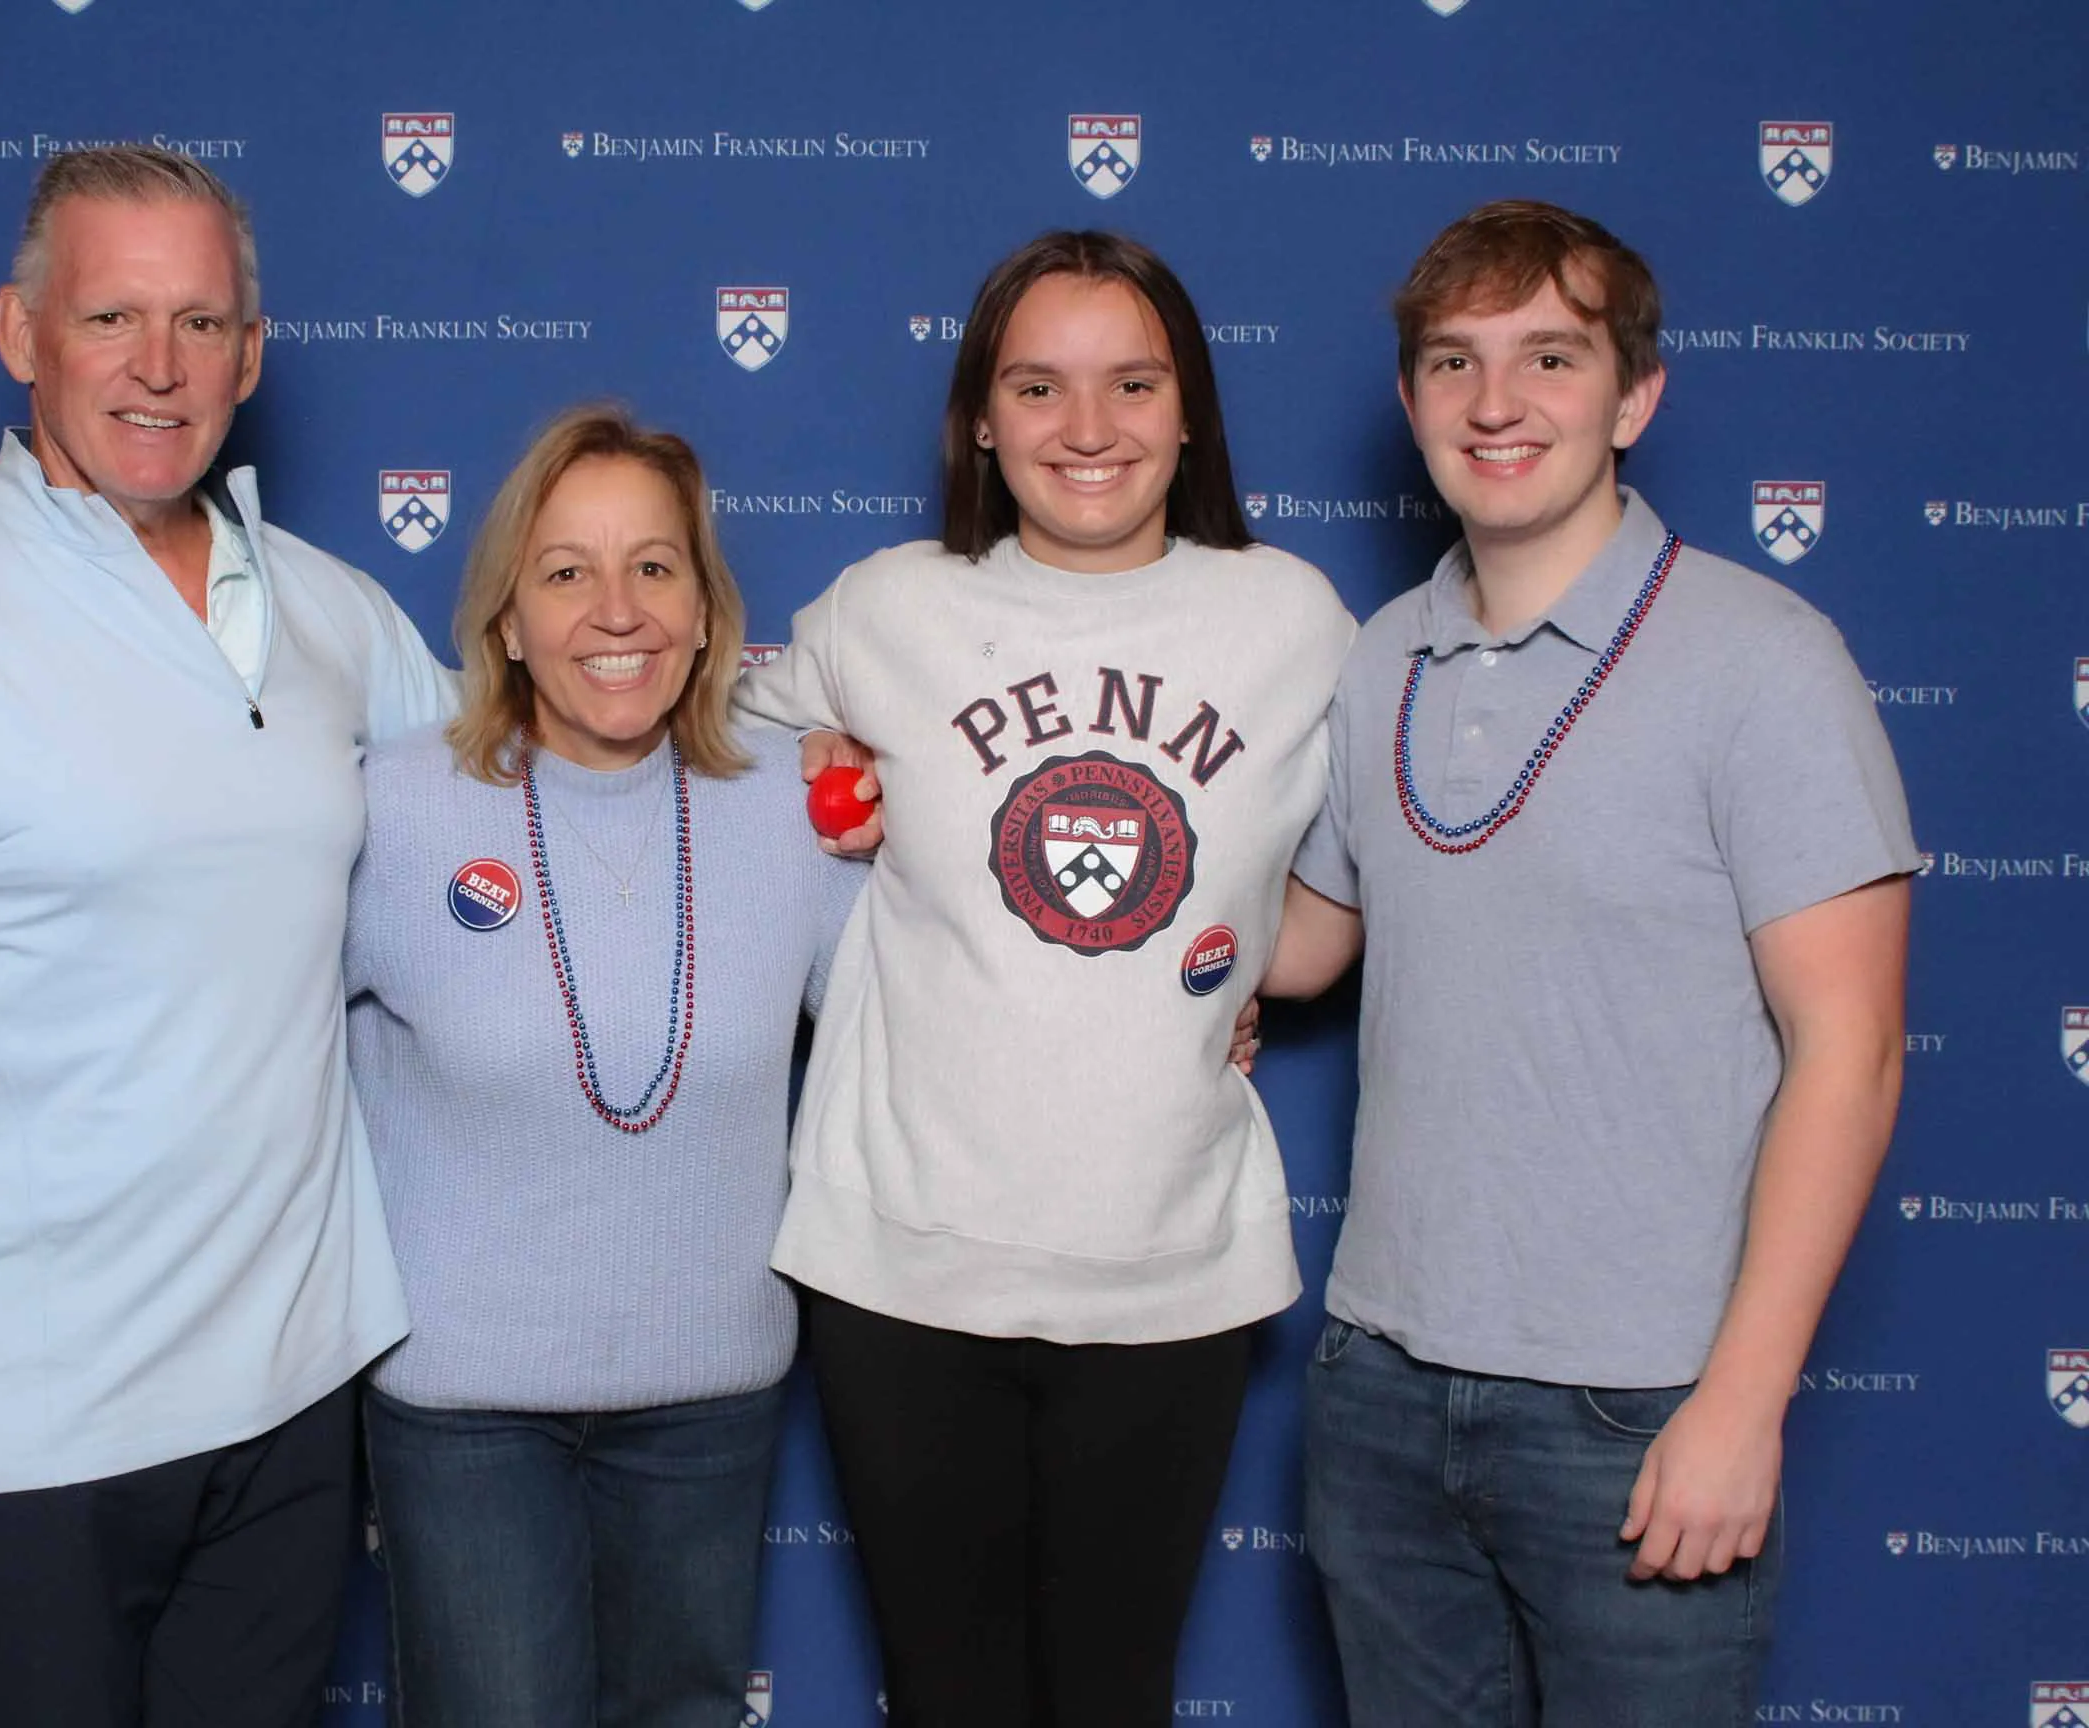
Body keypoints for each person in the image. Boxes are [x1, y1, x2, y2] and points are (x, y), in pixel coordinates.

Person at [0, 145, 451, 1728]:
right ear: (19, 333)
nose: (158, 367)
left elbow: (528, 802)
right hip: (36, 1433)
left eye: (200, 323)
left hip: (299, 1395)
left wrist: (807, 748)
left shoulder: (333, 615)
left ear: (253, 355)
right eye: (111, 316)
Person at [1263, 200, 1916, 1726]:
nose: (1497, 405)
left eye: (1549, 358)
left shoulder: (1765, 658)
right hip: (1381, 1386)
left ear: (1635, 396)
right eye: (1453, 363)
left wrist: (1741, 1405)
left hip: (1639, 1411)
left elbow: (1854, 1049)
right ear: (1412, 399)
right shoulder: (1382, 655)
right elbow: (1301, 948)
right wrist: (1005, 853)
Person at [734, 231, 1355, 1727]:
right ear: (981, 421)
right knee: (945, 1697)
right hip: (906, 1263)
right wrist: (816, 777)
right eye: (1039, 387)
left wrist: (1227, 969)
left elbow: (1324, 919)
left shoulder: (1293, 619)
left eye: (1132, 383)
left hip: (1168, 1265)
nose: (1089, 429)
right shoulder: (888, 608)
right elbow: (710, 757)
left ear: (1189, 409)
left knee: (1112, 1697)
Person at [342, 406, 864, 1728]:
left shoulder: (797, 815)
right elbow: (234, 1039)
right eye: (567, 571)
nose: (615, 610)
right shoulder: (390, 807)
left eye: (655, 566)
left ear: (705, 611)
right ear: (508, 618)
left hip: (709, 1407)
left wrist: (1197, 997)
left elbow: (938, 1019)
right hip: (468, 1415)